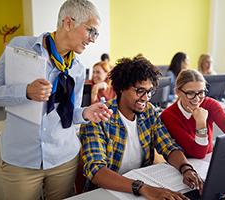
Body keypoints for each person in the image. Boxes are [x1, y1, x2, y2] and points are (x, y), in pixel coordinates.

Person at [0, 0, 112, 199]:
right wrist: (26, 91)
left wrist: (85, 113)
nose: (93, 39)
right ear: (68, 23)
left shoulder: (77, 68)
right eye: (91, 31)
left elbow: (69, 114)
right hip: (21, 161)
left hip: (64, 159)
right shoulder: (20, 47)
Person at [79, 56, 203, 199]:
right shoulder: (98, 118)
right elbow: (97, 171)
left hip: (140, 189)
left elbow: (168, 146)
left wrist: (186, 168)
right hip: (107, 192)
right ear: (121, 89)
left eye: (149, 91)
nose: (146, 98)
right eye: (140, 91)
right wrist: (143, 188)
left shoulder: (149, 112)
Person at [161, 69, 225, 159]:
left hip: (207, 160)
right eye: (190, 93)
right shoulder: (168, 116)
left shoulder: (210, 104)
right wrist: (201, 123)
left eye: (201, 92)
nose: (197, 99)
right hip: (187, 164)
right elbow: (198, 153)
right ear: (178, 92)